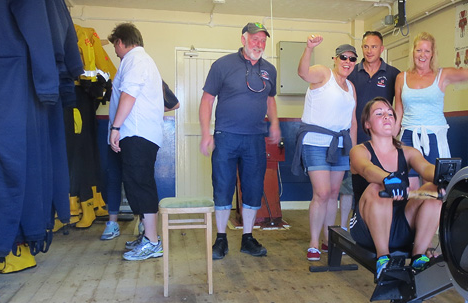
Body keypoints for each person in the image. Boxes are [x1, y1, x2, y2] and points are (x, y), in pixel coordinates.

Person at [199, 22, 281, 260]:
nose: (260, 44)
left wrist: (274, 123)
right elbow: (207, 101)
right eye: (255, 39)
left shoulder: (270, 70)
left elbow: (270, 99)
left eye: (263, 40)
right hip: (226, 137)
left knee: (253, 189)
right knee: (223, 187)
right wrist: (207, 133)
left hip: (255, 138)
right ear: (244, 39)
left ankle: (247, 238)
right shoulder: (222, 65)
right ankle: (221, 239)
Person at [349, 97, 443, 279]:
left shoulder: (408, 152)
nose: (387, 117)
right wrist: (388, 179)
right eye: (379, 114)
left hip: (402, 226)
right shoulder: (359, 151)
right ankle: (383, 259)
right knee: (376, 188)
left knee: (433, 191)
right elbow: (367, 169)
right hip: (367, 230)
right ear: (367, 124)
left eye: (390, 114)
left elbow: (425, 168)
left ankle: (418, 256)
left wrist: (443, 177)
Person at [394, 32, 468, 189]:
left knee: (432, 186)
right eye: (419, 50)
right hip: (408, 135)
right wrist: (388, 141)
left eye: (427, 51)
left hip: (433, 136)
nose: (422, 55)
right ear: (413, 52)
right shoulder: (401, 77)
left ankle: (430, 214)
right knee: (408, 187)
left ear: (432, 54)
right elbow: (398, 113)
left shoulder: (442, 75)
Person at [293, 35, 357, 261]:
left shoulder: (350, 87)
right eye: (343, 57)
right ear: (335, 59)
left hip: (340, 144)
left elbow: (352, 121)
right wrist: (309, 48)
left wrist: (354, 151)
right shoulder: (324, 73)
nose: (347, 61)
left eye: (352, 59)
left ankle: (329, 239)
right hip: (315, 142)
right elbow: (303, 73)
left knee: (332, 194)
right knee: (320, 193)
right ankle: (313, 243)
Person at [107, 23, 165, 261]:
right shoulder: (139, 61)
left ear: (121, 42)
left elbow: (129, 95)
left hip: (138, 133)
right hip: (139, 133)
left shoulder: (134, 60)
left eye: (115, 47)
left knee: (140, 185)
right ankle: (148, 238)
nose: (116, 52)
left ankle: (152, 242)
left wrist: (116, 126)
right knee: (137, 184)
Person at [101, 80, 179, 242]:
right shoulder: (120, 81)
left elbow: (175, 104)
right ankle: (113, 223)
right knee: (114, 177)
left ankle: (145, 227)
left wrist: (153, 111)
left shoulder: (151, 81)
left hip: (136, 136)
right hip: (116, 135)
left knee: (140, 181)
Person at [343, 30, 401, 230]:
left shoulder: (394, 74)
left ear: (382, 49)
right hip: (353, 140)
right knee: (351, 187)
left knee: (378, 184)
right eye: (366, 46)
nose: (369, 51)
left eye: (374, 46)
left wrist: (393, 134)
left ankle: (379, 228)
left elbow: (400, 106)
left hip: (380, 143)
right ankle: (350, 228)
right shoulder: (351, 72)